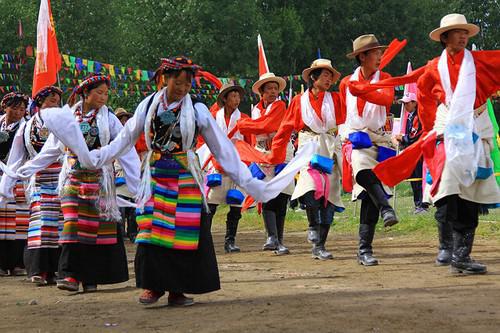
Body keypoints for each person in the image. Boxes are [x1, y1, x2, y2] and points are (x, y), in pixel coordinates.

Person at [87, 56, 277, 306]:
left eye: (188, 85)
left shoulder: (196, 109)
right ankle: (152, 287)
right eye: (178, 83)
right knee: (152, 230)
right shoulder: (149, 106)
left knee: (183, 232)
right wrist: (97, 157)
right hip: (154, 175)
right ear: (165, 79)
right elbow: (124, 139)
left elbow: (221, 148)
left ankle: (178, 290)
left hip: (185, 175)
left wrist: (248, 180)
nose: (183, 89)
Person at [349, 14, 500, 273]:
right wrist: (430, 129)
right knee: (446, 189)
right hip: (447, 127)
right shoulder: (433, 67)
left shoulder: (478, 61)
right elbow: (422, 94)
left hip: (476, 124)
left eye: (465, 32)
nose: (463, 36)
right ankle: (446, 248)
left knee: (472, 193)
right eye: (456, 32)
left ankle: (462, 255)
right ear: (444, 38)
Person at [15, 74, 141, 291]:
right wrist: (26, 170)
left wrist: (137, 183)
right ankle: (70, 276)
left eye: (105, 93)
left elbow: (124, 147)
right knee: (73, 224)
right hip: (72, 177)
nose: (103, 97)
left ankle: (91, 278)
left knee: (95, 228)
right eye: (98, 93)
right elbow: (53, 149)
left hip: (100, 179)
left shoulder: (109, 118)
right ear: (85, 93)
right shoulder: (69, 116)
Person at [266, 59, 346, 260]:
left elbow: (347, 119)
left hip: (330, 145)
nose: (328, 79)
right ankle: (312, 225)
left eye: (330, 75)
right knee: (309, 187)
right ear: (314, 77)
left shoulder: (336, 99)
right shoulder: (298, 101)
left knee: (329, 196)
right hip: (309, 145)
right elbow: (285, 128)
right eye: (325, 75)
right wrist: (275, 153)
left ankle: (320, 245)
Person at [339, 34, 398, 266]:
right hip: (358, 138)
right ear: (362, 56)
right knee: (363, 173)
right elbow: (344, 113)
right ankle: (386, 208)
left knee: (369, 196)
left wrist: (361, 90)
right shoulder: (346, 83)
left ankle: (364, 249)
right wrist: (345, 135)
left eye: (381, 52)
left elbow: (386, 99)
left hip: (380, 139)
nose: (380, 57)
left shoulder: (386, 78)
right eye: (375, 53)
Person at [0, 86, 64, 285]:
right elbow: (17, 156)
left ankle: (56, 270)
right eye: (51, 100)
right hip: (37, 179)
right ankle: (37, 270)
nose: (55, 104)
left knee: (60, 225)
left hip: (61, 176)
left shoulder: (63, 122)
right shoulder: (27, 127)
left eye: (57, 101)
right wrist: (6, 185)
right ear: (40, 103)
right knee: (40, 222)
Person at [237, 72, 294, 255]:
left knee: (282, 195)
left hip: (281, 153)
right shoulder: (256, 110)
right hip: (262, 154)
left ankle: (279, 239)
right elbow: (259, 128)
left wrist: (244, 125)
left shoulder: (280, 106)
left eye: (275, 88)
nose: (273, 92)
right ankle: (272, 237)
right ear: (261, 92)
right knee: (267, 194)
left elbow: (266, 126)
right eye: (269, 88)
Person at [203, 83, 251, 253]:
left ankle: (230, 241)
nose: (236, 100)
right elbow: (205, 137)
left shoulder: (244, 118)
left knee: (236, 204)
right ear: (225, 98)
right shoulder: (214, 116)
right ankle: (205, 239)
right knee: (211, 203)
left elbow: (248, 141)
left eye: (238, 96)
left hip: (237, 164)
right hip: (217, 163)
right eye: (233, 96)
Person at [0, 92, 30, 276]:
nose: (19, 112)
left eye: (22, 108)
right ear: (5, 107)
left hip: (17, 176)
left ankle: (17, 263)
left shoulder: (26, 127)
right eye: (15, 108)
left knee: (18, 222)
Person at [392, 92, 429, 214]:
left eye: (407, 103)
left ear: (415, 103)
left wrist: (403, 138)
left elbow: (415, 136)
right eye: (403, 103)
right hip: (412, 152)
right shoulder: (410, 116)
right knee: (414, 179)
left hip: (419, 152)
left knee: (418, 179)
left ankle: (422, 205)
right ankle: (417, 204)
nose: (405, 106)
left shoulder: (418, 116)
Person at [114, 108, 138, 242]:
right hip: (117, 174)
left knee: (134, 206)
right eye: (121, 119)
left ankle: (133, 232)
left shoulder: (133, 136)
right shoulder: (113, 136)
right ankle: (120, 232)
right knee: (120, 207)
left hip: (132, 174)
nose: (123, 121)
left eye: (125, 119)